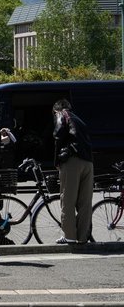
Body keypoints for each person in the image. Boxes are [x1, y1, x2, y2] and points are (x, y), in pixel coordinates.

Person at [53, 99, 94, 244]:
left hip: (72, 162)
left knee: (68, 200)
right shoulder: (79, 120)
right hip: (88, 163)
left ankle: (69, 236)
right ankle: (83, 237)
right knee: (85, 203)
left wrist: (56, 161)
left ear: (57, 110)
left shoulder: (61, 114)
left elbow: (58, 135)